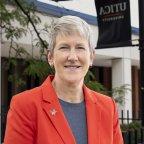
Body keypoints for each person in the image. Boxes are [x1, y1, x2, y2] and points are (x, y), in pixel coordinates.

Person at [4, 15, 123, 144]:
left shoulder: (107, 107)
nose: (72, 57)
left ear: (91, 57)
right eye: (64, 47)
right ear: (50, 57)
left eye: (80, 47)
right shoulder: (25, 105)